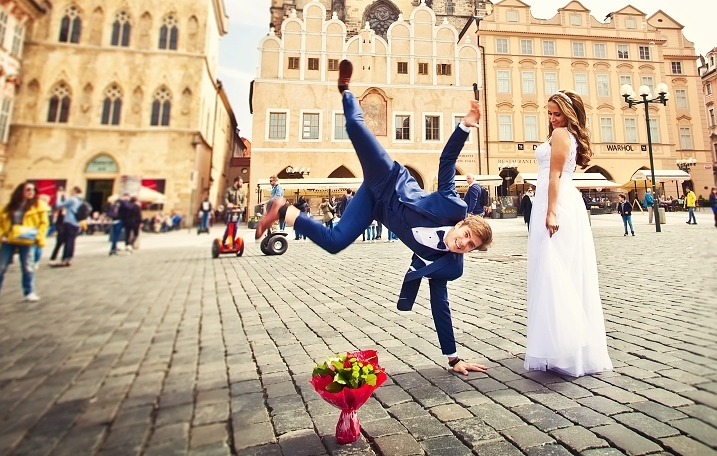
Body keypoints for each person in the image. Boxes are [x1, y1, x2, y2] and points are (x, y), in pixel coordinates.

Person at [256, 60, 492, 375]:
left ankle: (281, 211)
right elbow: (447, 159)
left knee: (335, 241)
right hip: (388, 180)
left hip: (373, 205)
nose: (462, 243)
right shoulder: (451, 204)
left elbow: (441, 306)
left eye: (469, 246)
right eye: (466, 236)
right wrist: (465, 126)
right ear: (461, 224)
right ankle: (346, 91)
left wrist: (454, 358)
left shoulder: (450, 266)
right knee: (355, 127)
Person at [526, 90, 612, 377]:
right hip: (556, 200)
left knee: (555, 271)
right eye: (549, 113)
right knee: (559, 271)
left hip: (557, 201)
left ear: (569, 114)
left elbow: (555, 176)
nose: (552, 119)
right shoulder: (560, 134)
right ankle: (562, 347)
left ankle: (565, 346)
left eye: (557, 113)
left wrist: (550, 212)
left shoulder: (562, 135)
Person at [0, 182, 49, 306]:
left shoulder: (39, 206)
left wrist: (38, 236)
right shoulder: (9, 207)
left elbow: (44, 223)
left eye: (34, 190)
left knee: (28, 267)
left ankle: (29, 292)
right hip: (9, 238)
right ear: (21, 191)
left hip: (28, 239)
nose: (31, 192)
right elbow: (0, 223)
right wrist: (0, 235)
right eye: (28, 189)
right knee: (0, 267)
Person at [50, 187, 84, 267]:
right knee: (72, 241)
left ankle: (65, 259)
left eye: (71, 191)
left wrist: (58, 196)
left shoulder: (73, 199)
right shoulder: (80, 200)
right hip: (76, 222)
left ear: (75, 191)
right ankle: (69, 259)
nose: (70, 192)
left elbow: (59, 205)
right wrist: (65, 196)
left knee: (68, 241)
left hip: (69, 221)